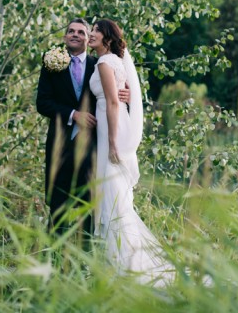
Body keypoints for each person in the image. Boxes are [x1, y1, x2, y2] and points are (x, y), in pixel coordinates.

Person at [87, 19, 174, 285]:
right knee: (116, 194)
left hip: (111, 127)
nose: (91, 34)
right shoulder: (116, 60)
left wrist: (113, 142)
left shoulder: (104, 62)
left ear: (107, 37)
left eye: (96, 30)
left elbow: (113, 102)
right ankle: (121, 261)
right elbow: (122, 96)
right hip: (115, 124)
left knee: (112, 194)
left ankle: (122, 265)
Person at [36, 18, 129, 236]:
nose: (75, 35)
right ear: (64, 37)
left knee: (89, 204)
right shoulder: (51, 62)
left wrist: (129, 95)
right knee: (58, 206)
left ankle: (85, 251)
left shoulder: (100, 64)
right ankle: (53, 252)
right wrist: (73, 114)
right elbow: (42, 103)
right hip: (61, 144)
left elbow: (115, 97)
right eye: (71, 31)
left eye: (81, 32)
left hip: (94, 145)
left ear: (89, 39)